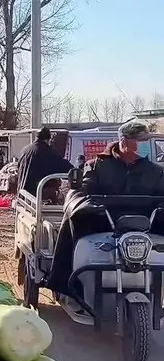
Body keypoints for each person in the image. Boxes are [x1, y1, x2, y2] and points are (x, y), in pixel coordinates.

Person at [47, 122, 164, 295]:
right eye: (141, 140)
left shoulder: (155, 171)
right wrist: (86, 205)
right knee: (74, 218)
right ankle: (69, 284)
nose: (146, 143)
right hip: (104, 223)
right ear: (123, 142)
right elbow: (83, 189)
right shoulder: (97, 165)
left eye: (147, 139)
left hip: (146, 226)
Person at [17, 127, 72, 197]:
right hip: (36, 195)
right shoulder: (46, 151)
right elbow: (59, 165)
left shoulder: (25, 150)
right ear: (48, 139)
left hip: (22, 193)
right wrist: (73, 171)